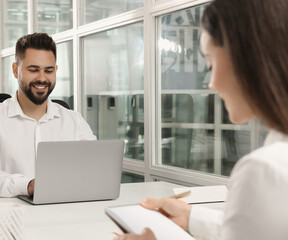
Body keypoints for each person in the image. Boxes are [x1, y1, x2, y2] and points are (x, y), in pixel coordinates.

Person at [115, 0, 288, 239]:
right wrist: (190, 216)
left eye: (211, 63)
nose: (211, 83)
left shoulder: (263, 171)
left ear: (248, 58)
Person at [0, 33, 96, 198]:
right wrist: (27, 186)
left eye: (48, 70)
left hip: (63, 212)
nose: (41, 78)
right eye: (33, 70)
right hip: (8, 218)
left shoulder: (74, 122)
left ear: (55, 71)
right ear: (15, 70)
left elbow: (94, 169)